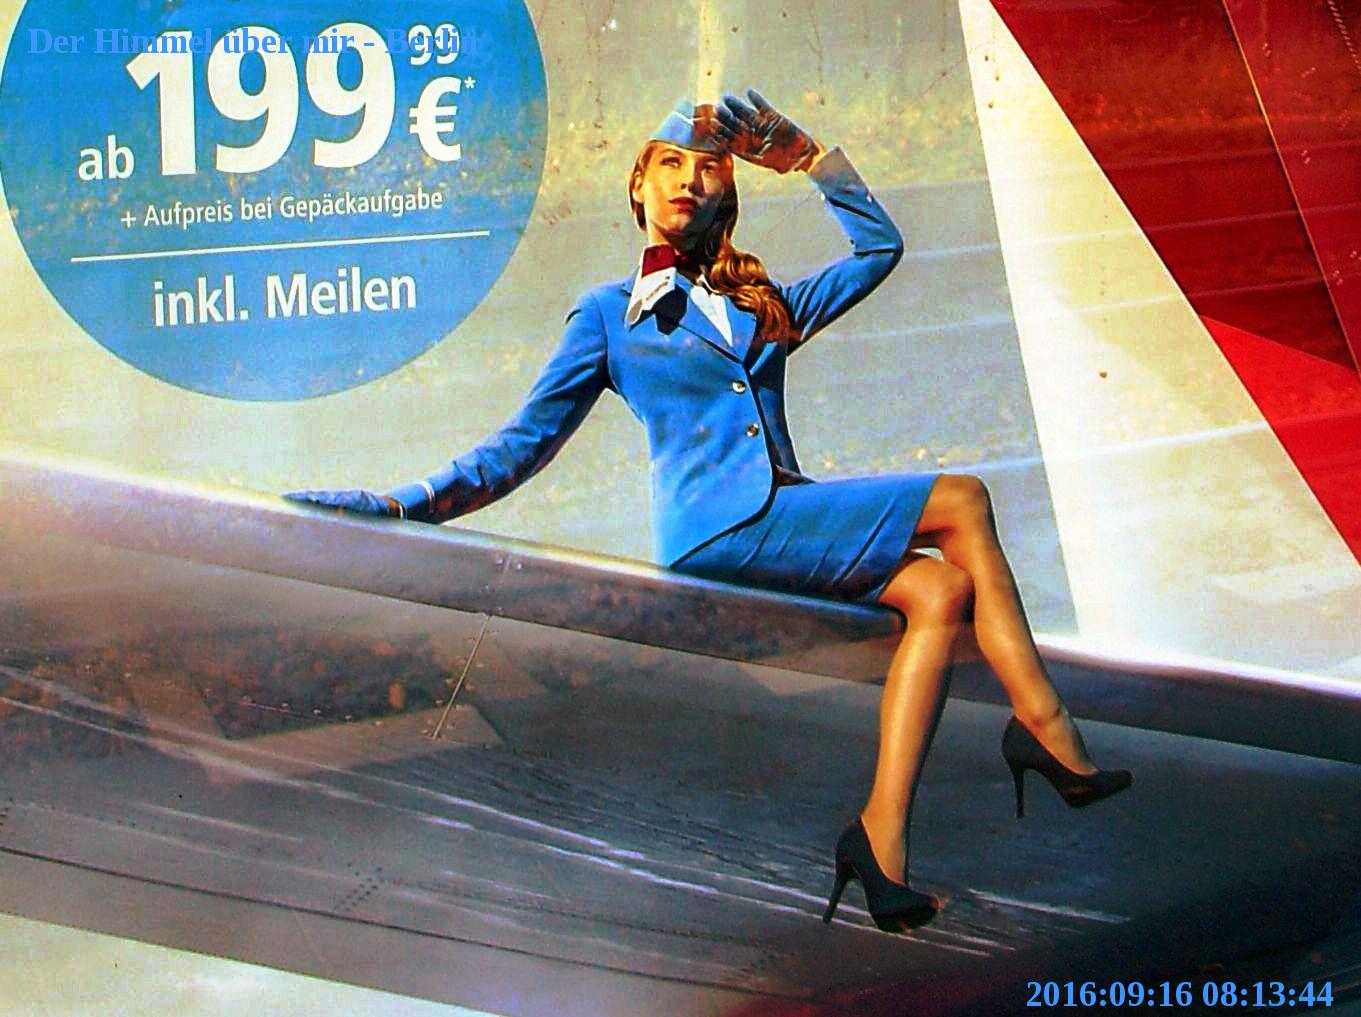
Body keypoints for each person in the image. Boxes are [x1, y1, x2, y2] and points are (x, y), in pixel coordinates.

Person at [286, 90, 1131, 934]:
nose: (689, 178)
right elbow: (522, 444)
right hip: (716, 531)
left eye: (708, 168)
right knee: (962, 498)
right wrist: (400, 504)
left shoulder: (764, 306)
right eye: (670, 164)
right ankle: (1044, 724)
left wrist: (811, 160)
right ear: (638, 186)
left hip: (781, 516)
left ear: (727, 192)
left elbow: (879, 248)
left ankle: (881, 840)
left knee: (940, 592)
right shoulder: (607, 315)